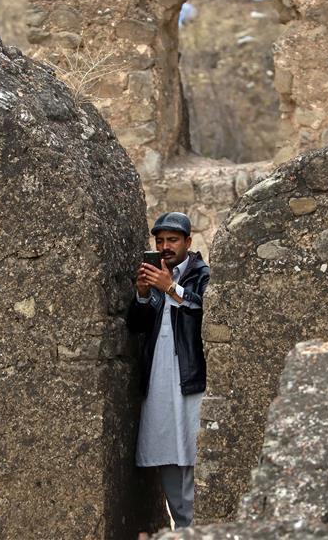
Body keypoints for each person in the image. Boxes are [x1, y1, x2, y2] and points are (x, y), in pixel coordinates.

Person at [127, 212, 210, 529]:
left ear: (188, 242)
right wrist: (145, 294)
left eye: (172, 240)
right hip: (160, 381)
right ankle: (184, 527)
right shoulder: (156, 275)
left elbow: (204, 310)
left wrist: (171, 287)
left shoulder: (201, 275)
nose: (164, 246)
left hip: (190, 381)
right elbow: (135, 325)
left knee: (193, 453)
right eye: (159, 241)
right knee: (168, 458)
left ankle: (198, 528)